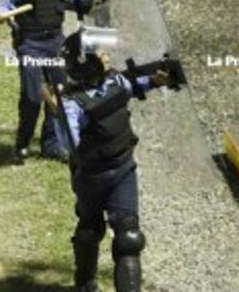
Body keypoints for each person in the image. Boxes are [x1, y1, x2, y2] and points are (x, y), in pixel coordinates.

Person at [53, 35, 173, 292]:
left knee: (129, 238)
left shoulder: (116, 81)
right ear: (88, 63)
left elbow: (133, 86)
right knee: (89, 231)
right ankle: (85, 285)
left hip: (123, 171)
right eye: (100, 53)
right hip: (91, 178)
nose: (106, 55)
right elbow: (69, 145)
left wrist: (154, 80)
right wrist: (57, 113)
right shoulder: (72, 104)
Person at [0, 0, 98, 163]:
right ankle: (21, 144)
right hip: (30, 44)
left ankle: (51, 143)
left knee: (60, 93)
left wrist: (86, 2)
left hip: (55, 41)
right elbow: (5, 4)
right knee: (32, 98)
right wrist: (0, 14)